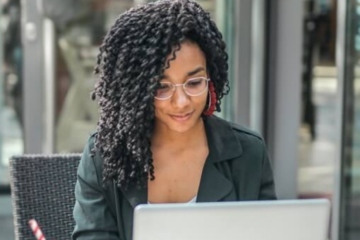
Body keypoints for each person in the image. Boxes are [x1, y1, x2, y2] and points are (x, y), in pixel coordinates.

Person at [72, 0, 276, 239]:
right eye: (161, 87)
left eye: (194, 82)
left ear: (211, 78)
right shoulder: (105, 154)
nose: (181, 102)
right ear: (137, 90)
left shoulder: (248, 153)